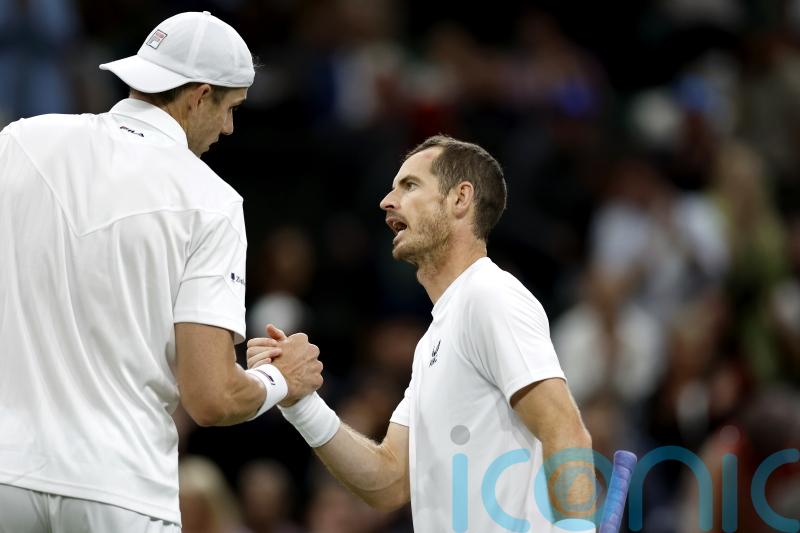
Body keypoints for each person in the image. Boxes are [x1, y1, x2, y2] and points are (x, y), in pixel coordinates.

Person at [0, 11, 322, 532]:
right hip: (121, 490)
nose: (229, 128)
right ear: (199, 96)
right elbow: (211, 397)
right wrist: (280, 378)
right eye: (230, 108)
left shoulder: (20, 142)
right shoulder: (212, 201)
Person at [248, 135, 595, 531]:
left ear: (460, 198)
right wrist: (301, 403)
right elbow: (388, 481)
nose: (386, 201)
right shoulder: (434, 338)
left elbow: (564, 430)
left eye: (409, 185)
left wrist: (578, 529)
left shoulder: (489, 295)